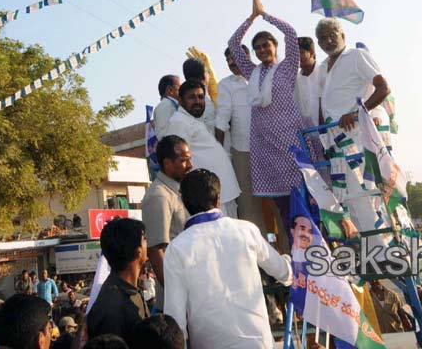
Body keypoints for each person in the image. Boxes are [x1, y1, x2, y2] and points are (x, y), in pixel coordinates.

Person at [163, 168, 293, 348]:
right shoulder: (246, 230)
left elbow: (175, 320)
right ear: (218, 199)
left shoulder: (176, 249)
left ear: (184, 202)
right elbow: (284, 272)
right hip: (259, 343)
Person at [228, 0, 319, 225]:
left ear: (275, 46)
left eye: (265, 45)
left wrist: (264, 15)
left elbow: (290, 32)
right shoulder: (252, 72)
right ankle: (297, 257)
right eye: (257, 47)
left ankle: (321, 252)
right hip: (265, 148)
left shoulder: (287, 67)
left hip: (290, 145)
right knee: (284, 209)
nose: (261, 50)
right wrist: (250, 18)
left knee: (306, 202)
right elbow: (233, 45)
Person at [314, 17, 396, 250]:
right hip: (335, 142)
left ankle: (386, 250)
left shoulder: (357, 57)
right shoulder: (323, 68)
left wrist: (357, 112)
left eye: (333, 35)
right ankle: (373, 253)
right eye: (323, 38)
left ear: (343, 35)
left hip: (357, 138)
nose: (329, 41)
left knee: (368, 194)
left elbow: (383, 88)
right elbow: (324, 105)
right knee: (350, 198)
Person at [165, 80, 241, 217]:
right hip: (208, 198)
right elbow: (179, 161)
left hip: (223, 194)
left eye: (200, 97)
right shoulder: (178, 121)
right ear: (181, 101)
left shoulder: (193, 120)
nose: (197, 101)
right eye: (192, 97)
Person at [214, 44, 266, 232]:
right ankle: (257, 255)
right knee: (248, 206)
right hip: (242, 150)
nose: (231, 62)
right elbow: (222, 119)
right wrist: (218, 151)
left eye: (235, 57)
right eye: (227, 59)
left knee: (278, 200)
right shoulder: (226, 84)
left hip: (269, 146)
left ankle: (287, 251)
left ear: (247, 56)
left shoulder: (263, 75)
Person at [142, 134, 191, 307]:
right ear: (167, 163)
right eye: (184, 161)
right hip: (177, 299)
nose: (190, 166)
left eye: (189, 160)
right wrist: (176, 293)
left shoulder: (178, 190)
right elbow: (155, 250)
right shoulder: (159, 196)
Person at [85, 218, 149, 345]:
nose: (148, 243)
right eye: (144, 239)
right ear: (138, 251)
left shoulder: (130, 292)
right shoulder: (111, 308)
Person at [182, 57, 217, 134]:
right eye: (207, 71)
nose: (209, 74)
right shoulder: (202, 100)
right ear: (202, 76)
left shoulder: (185, 99)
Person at [294, 37, 321, 128]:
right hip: (308, 136)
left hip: (332, 130)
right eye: (293, 54)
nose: (296, 57)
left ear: (312, 52)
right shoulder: (295, 81)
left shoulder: (325, 72)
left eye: (300, 53)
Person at [153, 75, 181, 140]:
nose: (183, 91)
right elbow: (165, 134)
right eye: (180, 88)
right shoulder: (164, 106)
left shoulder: (173, 105)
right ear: (170, 90)